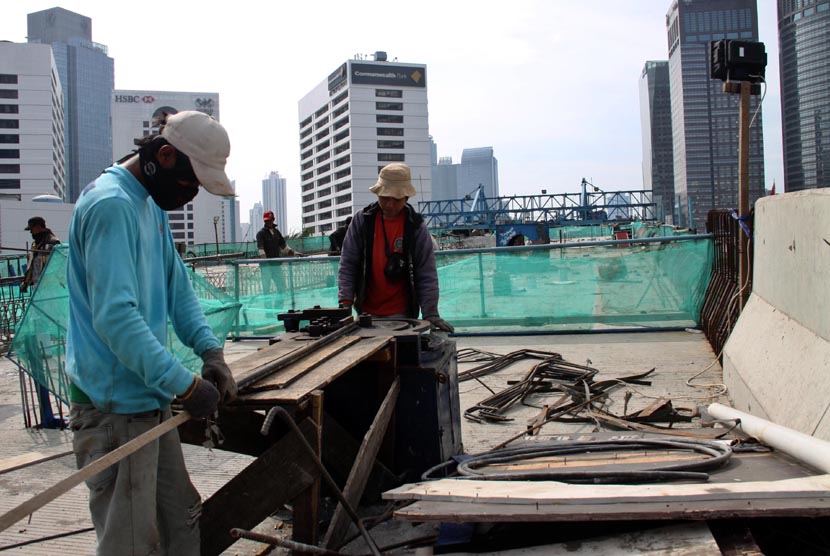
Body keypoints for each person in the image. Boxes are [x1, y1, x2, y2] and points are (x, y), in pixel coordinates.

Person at [66, 111, 239, 556]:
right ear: (164, 156)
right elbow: (116, 320)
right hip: (113, 412)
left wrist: (210, 352)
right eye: (190, 184)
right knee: (129, 542)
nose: (191, 194)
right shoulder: (111, 206)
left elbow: (177, 290)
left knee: (180, 520)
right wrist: (184, 384)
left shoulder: (147, 206)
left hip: (148, 401)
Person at [337, 162, 453, 332]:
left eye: (396, 199)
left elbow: (426, 272)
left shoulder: (415, 226)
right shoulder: (362, 221)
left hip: (404, 313)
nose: (390, 204)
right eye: (385, 198)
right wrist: (345, 304)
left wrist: (430, 313)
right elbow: (348, 263)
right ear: (377, 194)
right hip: (366, 313)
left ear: (406, 197)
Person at [256, 210, 296, 300]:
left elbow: (284, 246)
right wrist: (265, 261)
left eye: (270, 220)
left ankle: (279, 308)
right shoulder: (261, 233)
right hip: (266, 266)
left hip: (276, 265)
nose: (268, 222)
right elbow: (261, 249)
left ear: (273, 220)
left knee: (281, 287)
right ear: (264, 221)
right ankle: (268, 311)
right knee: (266, 290)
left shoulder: (277, 232)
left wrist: (294, 253)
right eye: (266, 221)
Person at [19, 216, 61, 294]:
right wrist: (26, 283)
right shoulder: (35, 244)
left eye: (31, 229)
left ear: (38, 227)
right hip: (37, 286)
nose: (31, 232)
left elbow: (59, 266)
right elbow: (31, 265)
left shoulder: (53, 242)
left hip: (51, 287)